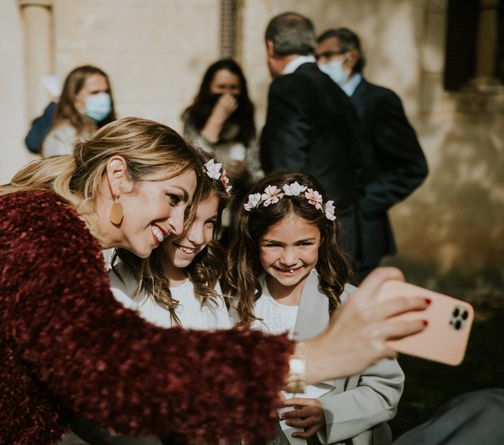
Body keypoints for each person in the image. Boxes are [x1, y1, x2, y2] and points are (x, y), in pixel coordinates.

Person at [0, 117, 428, 445]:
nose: (179, 223)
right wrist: (318, 357)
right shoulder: (36, 228)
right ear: (117, 176)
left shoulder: (46, 229)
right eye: (174, 198)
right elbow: (114, 368)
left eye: (192, 209)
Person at [225, 172, 404, 445]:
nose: (289, 258)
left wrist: (329, 415)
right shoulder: (236, 303)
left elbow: (385, 389)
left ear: (324, 237)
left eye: (304, 243)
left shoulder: (351, 305)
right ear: (255, 241)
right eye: (274, 245)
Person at [76, 154, 237, 445]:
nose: (197, 237)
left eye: (209, 223)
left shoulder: (207, 282)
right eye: (190, 220)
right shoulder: (120, 287)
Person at [316, 28, 428, 279]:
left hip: (363, 236)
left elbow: (412, 167)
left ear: (351, 56)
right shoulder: (323, 101)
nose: (320, 63)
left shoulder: (379, 101)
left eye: (327, 55)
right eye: (317, 57)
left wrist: (366, 204)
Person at [259, 12, 364, 259]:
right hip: (345, 224)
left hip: (307, 232)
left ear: (270, 47)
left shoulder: (288, 86)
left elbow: (287, 168)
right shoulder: (337, 91)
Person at [182, 59, 262, 196]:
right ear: (209, 88)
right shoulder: (193, 117)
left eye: (233, 87)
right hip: (205, 195)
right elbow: (193, 160)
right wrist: (216, 119)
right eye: (221, 87)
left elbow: (258, 173)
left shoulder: (245, 119)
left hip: (236, 200)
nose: (227, 94)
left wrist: (245, 174)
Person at [40, 65, 116, 157]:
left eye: (106, 92)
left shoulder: (105, 129)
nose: (103, 97)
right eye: (95, 92)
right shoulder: (64, 137)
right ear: (74, 96)